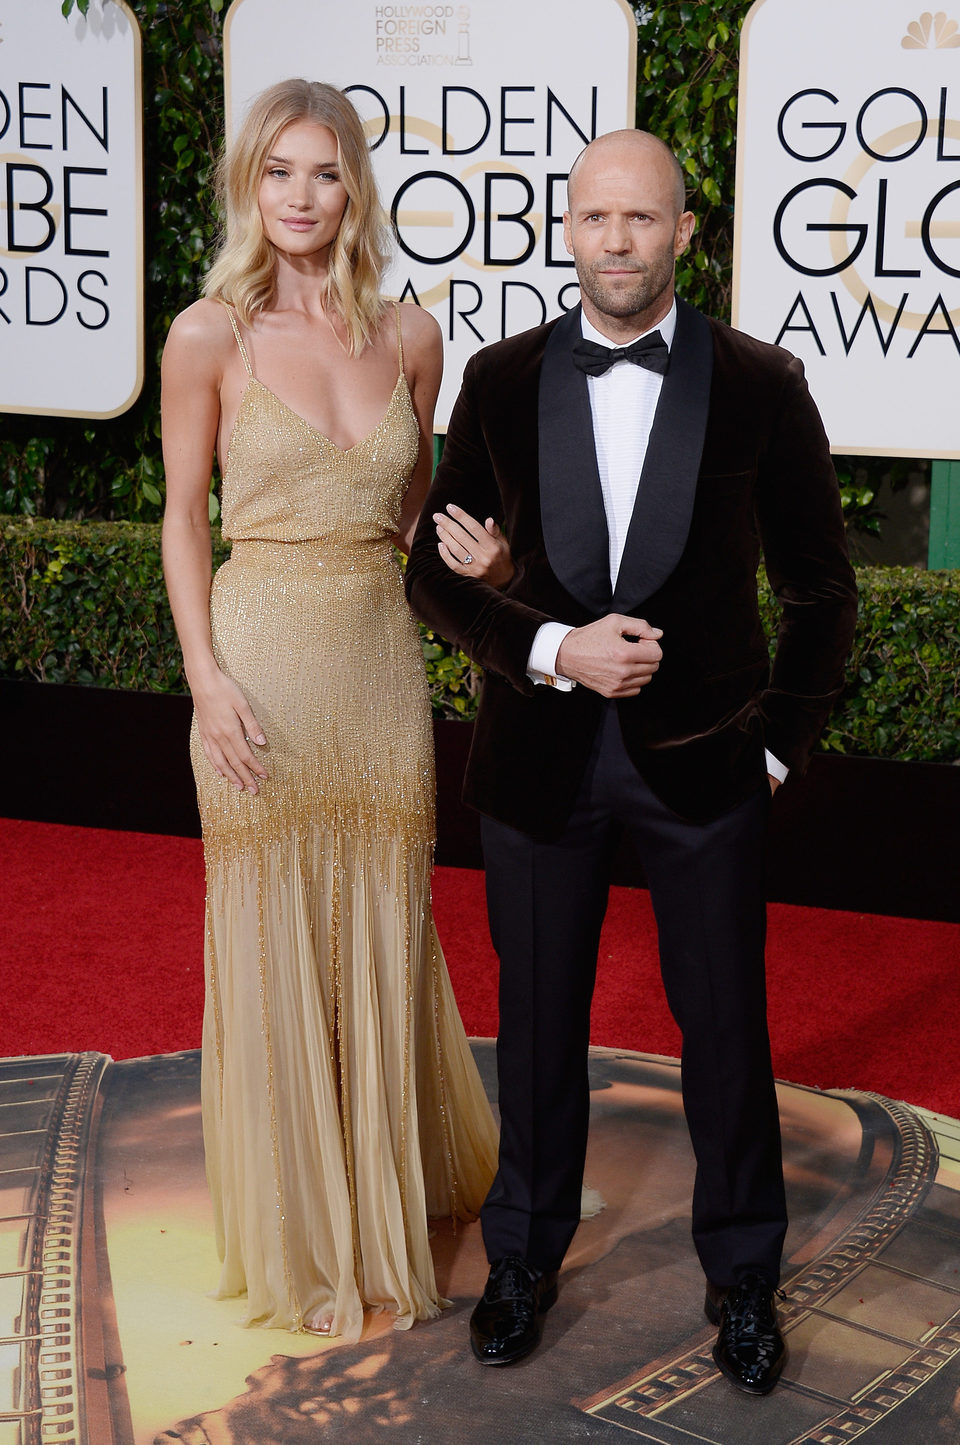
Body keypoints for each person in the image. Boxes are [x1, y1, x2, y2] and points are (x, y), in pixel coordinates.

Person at [405, 129, 858, 1391]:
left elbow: (824, 589)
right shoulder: (496, 381)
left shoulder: (762, 381)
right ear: (568, 228)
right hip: (540, 761)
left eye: (642, 219)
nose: (618, 239)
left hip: (707, 768)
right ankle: (524, 1258)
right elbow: (430, 580)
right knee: (539, 1026)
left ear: (684, 235)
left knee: (725, 1026)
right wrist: (553, 645)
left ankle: (746, 1277)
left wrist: (774, 746)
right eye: (597, 217)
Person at [160, 78, 500, 1342]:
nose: (302, 197)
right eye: (278, 173)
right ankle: (306, 1226)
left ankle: (381, 1194)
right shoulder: (209, 335)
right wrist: (204, 676)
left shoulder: (412, 336)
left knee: (383, 913)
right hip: (260, 668)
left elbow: (411, 526)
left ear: (355, 186)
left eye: (325, 173)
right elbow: (184, 517)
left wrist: (488, 567)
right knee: (275, 926)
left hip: (377, 666)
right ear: (250, 185)